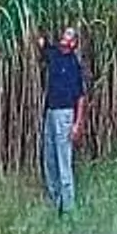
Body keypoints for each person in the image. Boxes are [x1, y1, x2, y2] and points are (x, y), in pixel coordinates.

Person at [37, 24, 88, 213]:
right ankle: (54, 201)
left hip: (65, 115)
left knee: (63, 159)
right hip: (50, 113)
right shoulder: (55, 55)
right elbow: (41, 45)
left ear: (74, 43)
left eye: (68, 35)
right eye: (64, 33)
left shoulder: (73, 64)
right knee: (49, 158)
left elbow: (81, 97)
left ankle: (68, 207)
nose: (63, 36)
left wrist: (77, 124)